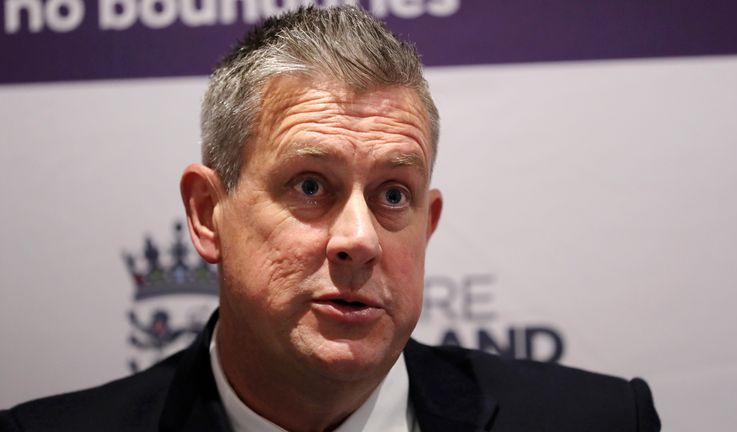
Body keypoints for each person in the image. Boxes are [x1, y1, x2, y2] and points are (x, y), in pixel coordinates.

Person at [0, 6, 660, 432]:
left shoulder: (598, 422)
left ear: (428, 224)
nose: (359, 240)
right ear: (207, 215)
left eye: (393, 195)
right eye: (310, 184)